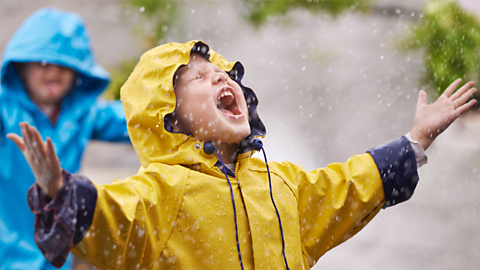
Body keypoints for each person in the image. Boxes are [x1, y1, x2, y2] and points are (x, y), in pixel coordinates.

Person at [8, 41, 477, 269]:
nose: (218, 78)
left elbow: (347, 187)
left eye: (221, 72)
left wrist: (415, 141)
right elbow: (115, 218)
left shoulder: (280, 184)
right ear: (168, 118)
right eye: (196, 78)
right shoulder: (163, 192)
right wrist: (59, 191)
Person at [0, 7, 130, 270]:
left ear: (79, 72)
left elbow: (133, 121)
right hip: (7, 248)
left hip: (56, 251)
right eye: (44, 62)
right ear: (22, 67)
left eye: (66, 64)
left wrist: (184, 114)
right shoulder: (5, 108)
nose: (55, 71)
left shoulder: (83, 114)